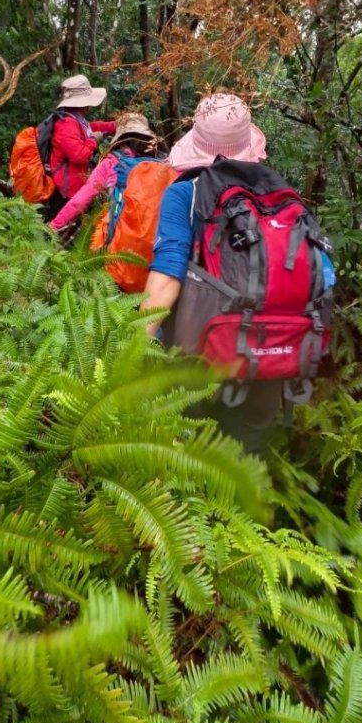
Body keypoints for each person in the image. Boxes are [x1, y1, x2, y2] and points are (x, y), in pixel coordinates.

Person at [140, 93, 282, 454]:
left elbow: (168, 272)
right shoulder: (279, 194)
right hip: (269, 352)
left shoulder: (184, 194)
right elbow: (320, 274)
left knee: (189, 459)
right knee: (245, 466)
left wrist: (135, 342)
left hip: (198, 355)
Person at [49, 112, 159, 233]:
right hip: (153, 232)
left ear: (120, 139)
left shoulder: (112, 162)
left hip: (121, 232)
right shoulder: (163, 164)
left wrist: (54, 225)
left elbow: (80, 200)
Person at [48, 75, 117, 216]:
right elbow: (80, 156)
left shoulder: (75, 119)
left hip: (74, 189)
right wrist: (94, 140)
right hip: (66, 193)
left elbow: (91, 127)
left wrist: (116, 125)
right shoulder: (66, 124)